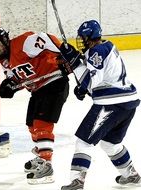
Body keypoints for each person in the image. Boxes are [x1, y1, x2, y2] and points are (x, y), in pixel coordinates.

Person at [59, 20, 141, 190]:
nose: (81, 41)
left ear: (90, 37)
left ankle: (77, 181)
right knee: (110, 144)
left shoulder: (96, 51)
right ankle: (131, 175)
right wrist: (75, 60)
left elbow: (91, 83)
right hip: (128, 103)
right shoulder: (105, 47)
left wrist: (74, 63)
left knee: (84, 142)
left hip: (111, 104)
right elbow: (95, 74)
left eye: (83, 38)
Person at [0, 28, 69, 184]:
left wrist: (64, 54)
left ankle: (47, 166)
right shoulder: (3, 61)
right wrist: (9, 86)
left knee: (42, 125)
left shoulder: (23, 43)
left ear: (5, 41)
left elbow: (46, 38)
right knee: (31, 125)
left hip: (54, 83)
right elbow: (17, 79)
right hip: (38, 89)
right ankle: (41, 158)